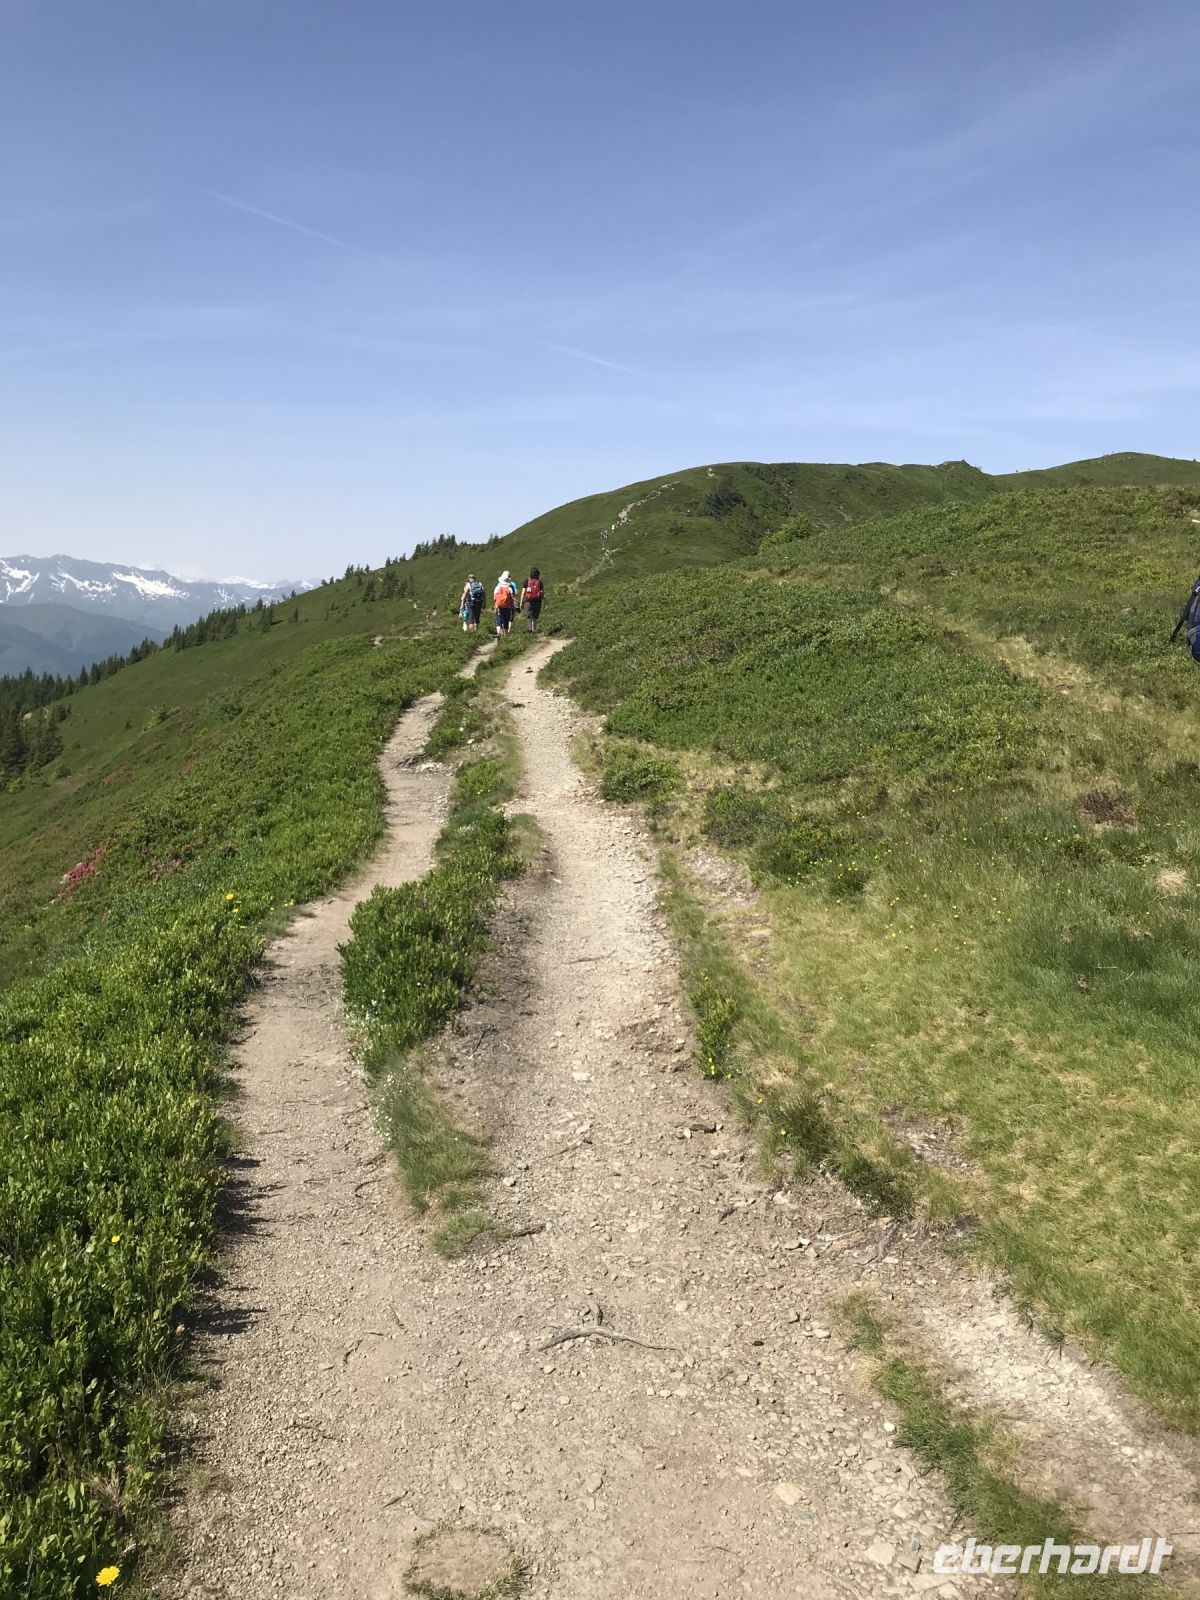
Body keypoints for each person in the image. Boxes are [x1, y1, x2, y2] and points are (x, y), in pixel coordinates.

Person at [520, 567, 545, 633]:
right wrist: (545, 602)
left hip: (528, 601)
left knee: (529, 616)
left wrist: (521, 602)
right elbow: (542, 593)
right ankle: (534, 630)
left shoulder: (527, 581)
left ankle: (530, 630)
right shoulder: (540, 582)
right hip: (537, 601)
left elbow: (523, 592)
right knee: (534, 616)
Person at [493, 570, 517, 638]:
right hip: (507, 607)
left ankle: (498, 633)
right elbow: (511, 600)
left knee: (498, 620)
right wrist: (513, 608)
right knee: (506, 621)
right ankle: (505, 636)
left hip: (498, 607)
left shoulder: (497, 588)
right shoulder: (509, 589)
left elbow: (494, 598)